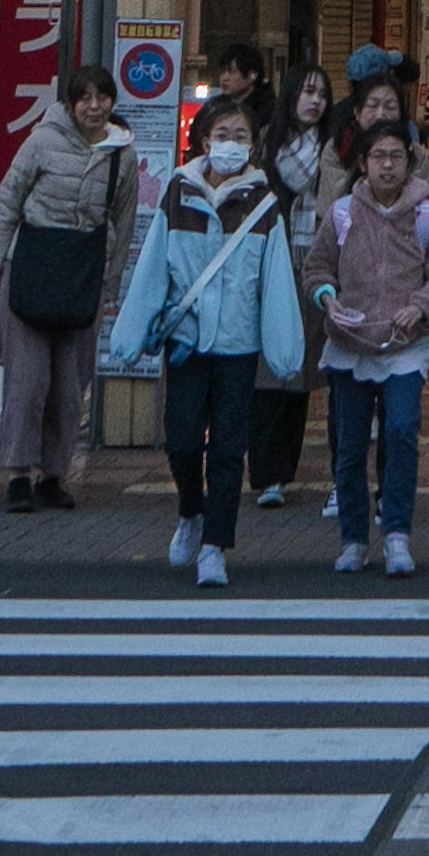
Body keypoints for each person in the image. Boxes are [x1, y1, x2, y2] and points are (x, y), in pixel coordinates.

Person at [103, 88, 303, 586]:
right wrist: (128, 337)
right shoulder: (178, 192)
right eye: (222, 135)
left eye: (240, 136)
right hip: (187, 341)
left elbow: (277, 281)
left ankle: (216, 545)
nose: (231, 144)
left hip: (238, 344)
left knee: (231, 447)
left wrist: (284, 351)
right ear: (203, 142)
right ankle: (190, 511)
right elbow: (152, 268)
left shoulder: (265, 205)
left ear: (253, 146)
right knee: (185, 441)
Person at [0, 60, 140, 514]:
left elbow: (124, 224)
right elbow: (8, 199)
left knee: (70, 390)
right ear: (70, 104)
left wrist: (110, 287)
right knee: (27, 383)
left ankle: (54, 475)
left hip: (83, 275)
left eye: (102, 97)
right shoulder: (42, 140)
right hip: (28, 266)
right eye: (85, 98)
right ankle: (17, 474)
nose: (94, 106)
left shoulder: (122, 154)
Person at [315, 118, 429, 573]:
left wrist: (420, 307)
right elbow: (317, 269)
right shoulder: (341, 213)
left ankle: (397, 533)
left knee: (401, 432)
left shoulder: (427, 215)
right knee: (351, 444)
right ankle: (353, 539)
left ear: (410, 162)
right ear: (362, 163)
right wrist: (328, 300)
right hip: (351, 342)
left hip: (405, 344)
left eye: (395, 157)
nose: (386, 166)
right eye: (378, 157)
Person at [252, 59, 338, 512]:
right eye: (307, 91)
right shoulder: (266, 143)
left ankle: (284, 469)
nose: (314, 100)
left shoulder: (333, 146)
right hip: (272, 261)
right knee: (269, 369)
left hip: (311, 264)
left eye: (321, 94)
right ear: (291, 95)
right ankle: (267, 474)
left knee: (302, 373)